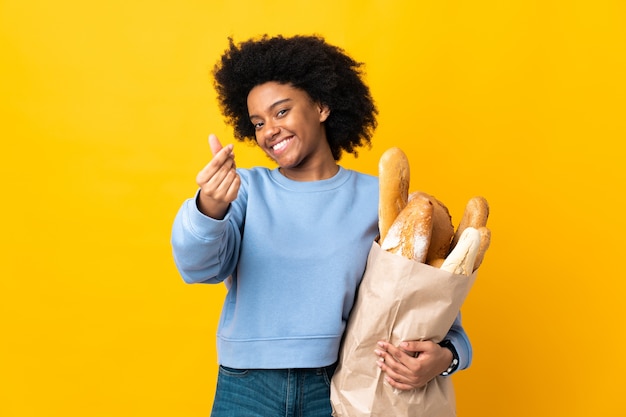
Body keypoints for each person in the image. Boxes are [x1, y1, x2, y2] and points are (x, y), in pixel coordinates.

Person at [171, 34, 472, 417]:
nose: (269, 131)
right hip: (246, 386)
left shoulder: (380, 199)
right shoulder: (245, 190)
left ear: (322, 106)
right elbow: (197, 268)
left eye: (282, 112)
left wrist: (446, 358)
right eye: (258, 122)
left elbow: (433, 303)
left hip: (340, 383)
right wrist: (209, 206)